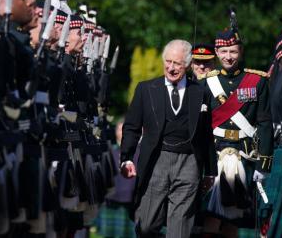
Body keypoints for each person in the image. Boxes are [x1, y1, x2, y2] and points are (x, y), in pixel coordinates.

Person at [120, 39, 217, 238]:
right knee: (145, 226)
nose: (171, 68)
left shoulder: (200, 92)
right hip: (157, 159)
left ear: (188, 65)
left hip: (189, 162)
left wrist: (210, 170)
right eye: (168, 62)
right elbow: (131, 127)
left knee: (180, 230)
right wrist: (127, 157)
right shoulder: (146, 89)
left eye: (177, 64)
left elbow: (206, 133)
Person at [202, 28, 273, 237]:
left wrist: (264, 164)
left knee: (233, 220)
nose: (228, 57)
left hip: (245, 157)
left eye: (233, 51)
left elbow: (265, 123)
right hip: (214, 156)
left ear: (241, 51)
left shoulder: (257, 81)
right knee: (210, 219)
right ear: (216, 52)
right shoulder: (207, 83)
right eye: (223, 52)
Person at [95, 118, 138, 238]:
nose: (122, 132)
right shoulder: (109, 152)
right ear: (115, 132)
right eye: (120, 129)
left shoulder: (137, 152)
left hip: (131, 204)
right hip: (111, 202)